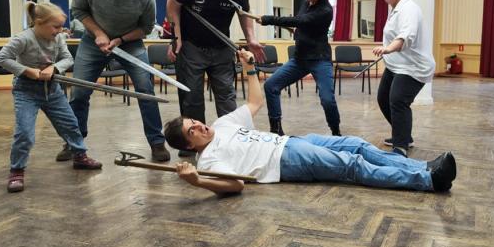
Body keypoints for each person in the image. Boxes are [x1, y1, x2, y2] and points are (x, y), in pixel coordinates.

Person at [164, 50, 456, 195]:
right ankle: (429, 181)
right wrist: (197, 180)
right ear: (189, 146)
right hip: (284, 161)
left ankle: (422, 167)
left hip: (291, 142)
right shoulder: (208, 160)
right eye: (193, 131)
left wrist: (249, 68)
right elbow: (236, 184)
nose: (200, 126)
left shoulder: (221, 124)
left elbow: (254, 103)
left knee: (356, 145)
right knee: (352, 165)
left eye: (195, 121)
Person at [63, 0, 170, 162]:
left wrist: (120, 39)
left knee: (145, 89)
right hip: (93, 41)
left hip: (130, 43)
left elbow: (146, 28)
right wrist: (99, 33)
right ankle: (74, 143)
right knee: (79, 91)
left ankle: (157, 142)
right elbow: (78, 10)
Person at [166, 0, 265, 156]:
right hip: (192, 46)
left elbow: (243, 14)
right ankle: (195, 144)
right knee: (191, 98)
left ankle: (232, 141)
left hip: (222, 48)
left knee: (227, 97)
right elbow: (173, 6)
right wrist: (177, 37)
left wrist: (251, 39)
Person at [0, 2, 102, 193]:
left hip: (52, 90)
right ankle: (17, 171)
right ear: (38, 22)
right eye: (56, 26)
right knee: (24, 133)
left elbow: (67, 59)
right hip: (26, 91)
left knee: (70, 124)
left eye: (61, 26)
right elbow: (1, 58)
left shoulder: (58, 38)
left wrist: (54, 67)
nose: (60, 30)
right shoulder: (23, 38)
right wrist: (27, 71)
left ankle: (80, 156)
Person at [254, 0, 340, 137]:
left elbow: (300, 20)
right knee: (271, 86)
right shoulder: (305, 1)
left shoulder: (326, 10)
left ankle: (336, 132)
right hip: (300, 59)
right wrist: (297, 31)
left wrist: (268, 19)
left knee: (327, 100)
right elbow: (302, 23)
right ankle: (276, 129)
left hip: (320, 59)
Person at [372, 0, 436, 157]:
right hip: (396, 65)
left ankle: (400, 147)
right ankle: (404, 135)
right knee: (383, 98)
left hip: (413, 67)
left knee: (398, 100)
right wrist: (388, 51)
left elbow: (405, 36)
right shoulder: (394, 8)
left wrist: (387, 49)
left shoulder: (409, 9)